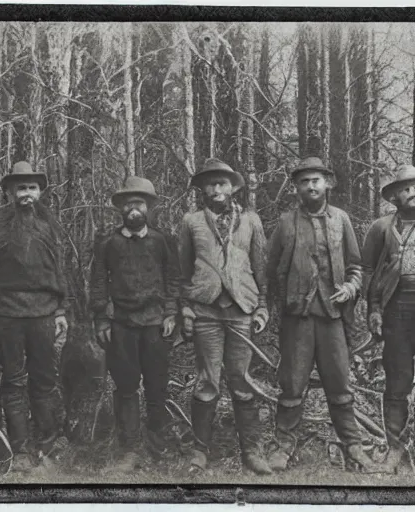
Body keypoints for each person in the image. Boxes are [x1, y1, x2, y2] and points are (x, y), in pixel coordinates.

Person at [266, 155, 376, 473]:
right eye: (304, 181)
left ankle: (353, 447)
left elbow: (357, 266)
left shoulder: (341, 220)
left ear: (327, 183)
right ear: (296, 188)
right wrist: (274, 313)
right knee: (292, 387)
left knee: (340, 386)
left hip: (333, 319)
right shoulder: (286, 223)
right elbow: (270, 271)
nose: (311, 185)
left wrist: (351, 288)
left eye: (316, 180)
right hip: (297, 319)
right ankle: (284, 446)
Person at [178, 158, 272, 475]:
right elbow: (183, 270)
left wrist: (261, 306)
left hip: (241, 310)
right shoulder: (191, 222)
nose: (217, 189)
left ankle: (252, 452)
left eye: (223, 183)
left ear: (232, 187)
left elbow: (261, 269)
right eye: (211, 183)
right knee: (207, 382)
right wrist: (187, 307)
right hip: (205, 311)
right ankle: (200, 451)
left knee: (242, 380)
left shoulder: (251, 221)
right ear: (202, 188)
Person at [0, 161, 71, 473]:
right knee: (14, 381)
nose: (26, 194)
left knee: (45, 380)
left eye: (32, 187)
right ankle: (20, 450)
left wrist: (60, 310)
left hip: (44, 314)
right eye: (20, 188)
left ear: (40, 191)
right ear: (9, 191)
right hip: (7, 315)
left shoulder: (50, 225)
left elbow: (59, 271)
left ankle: (48, 443)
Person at [90, 176, 181, 470]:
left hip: (155, 324)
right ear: (121, 209)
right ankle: (129, 450)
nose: (133, 209)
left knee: (157, 385)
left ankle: (158, 448)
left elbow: (173, 279)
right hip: (122, 325)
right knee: (126, 385)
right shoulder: (108, 244)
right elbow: (98, 284)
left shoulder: (162, 241)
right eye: (128, 204)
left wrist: (170, 313)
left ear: (149, 207)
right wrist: (102, 319)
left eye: (139, 203)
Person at [362, 164, 415, 474]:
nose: (412, 192)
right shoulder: (381, 228)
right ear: (394, 196)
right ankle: (396, 449)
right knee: (397, 382)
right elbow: (368, 271)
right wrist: (372, 310)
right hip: (396, 313)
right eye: (405, 188)